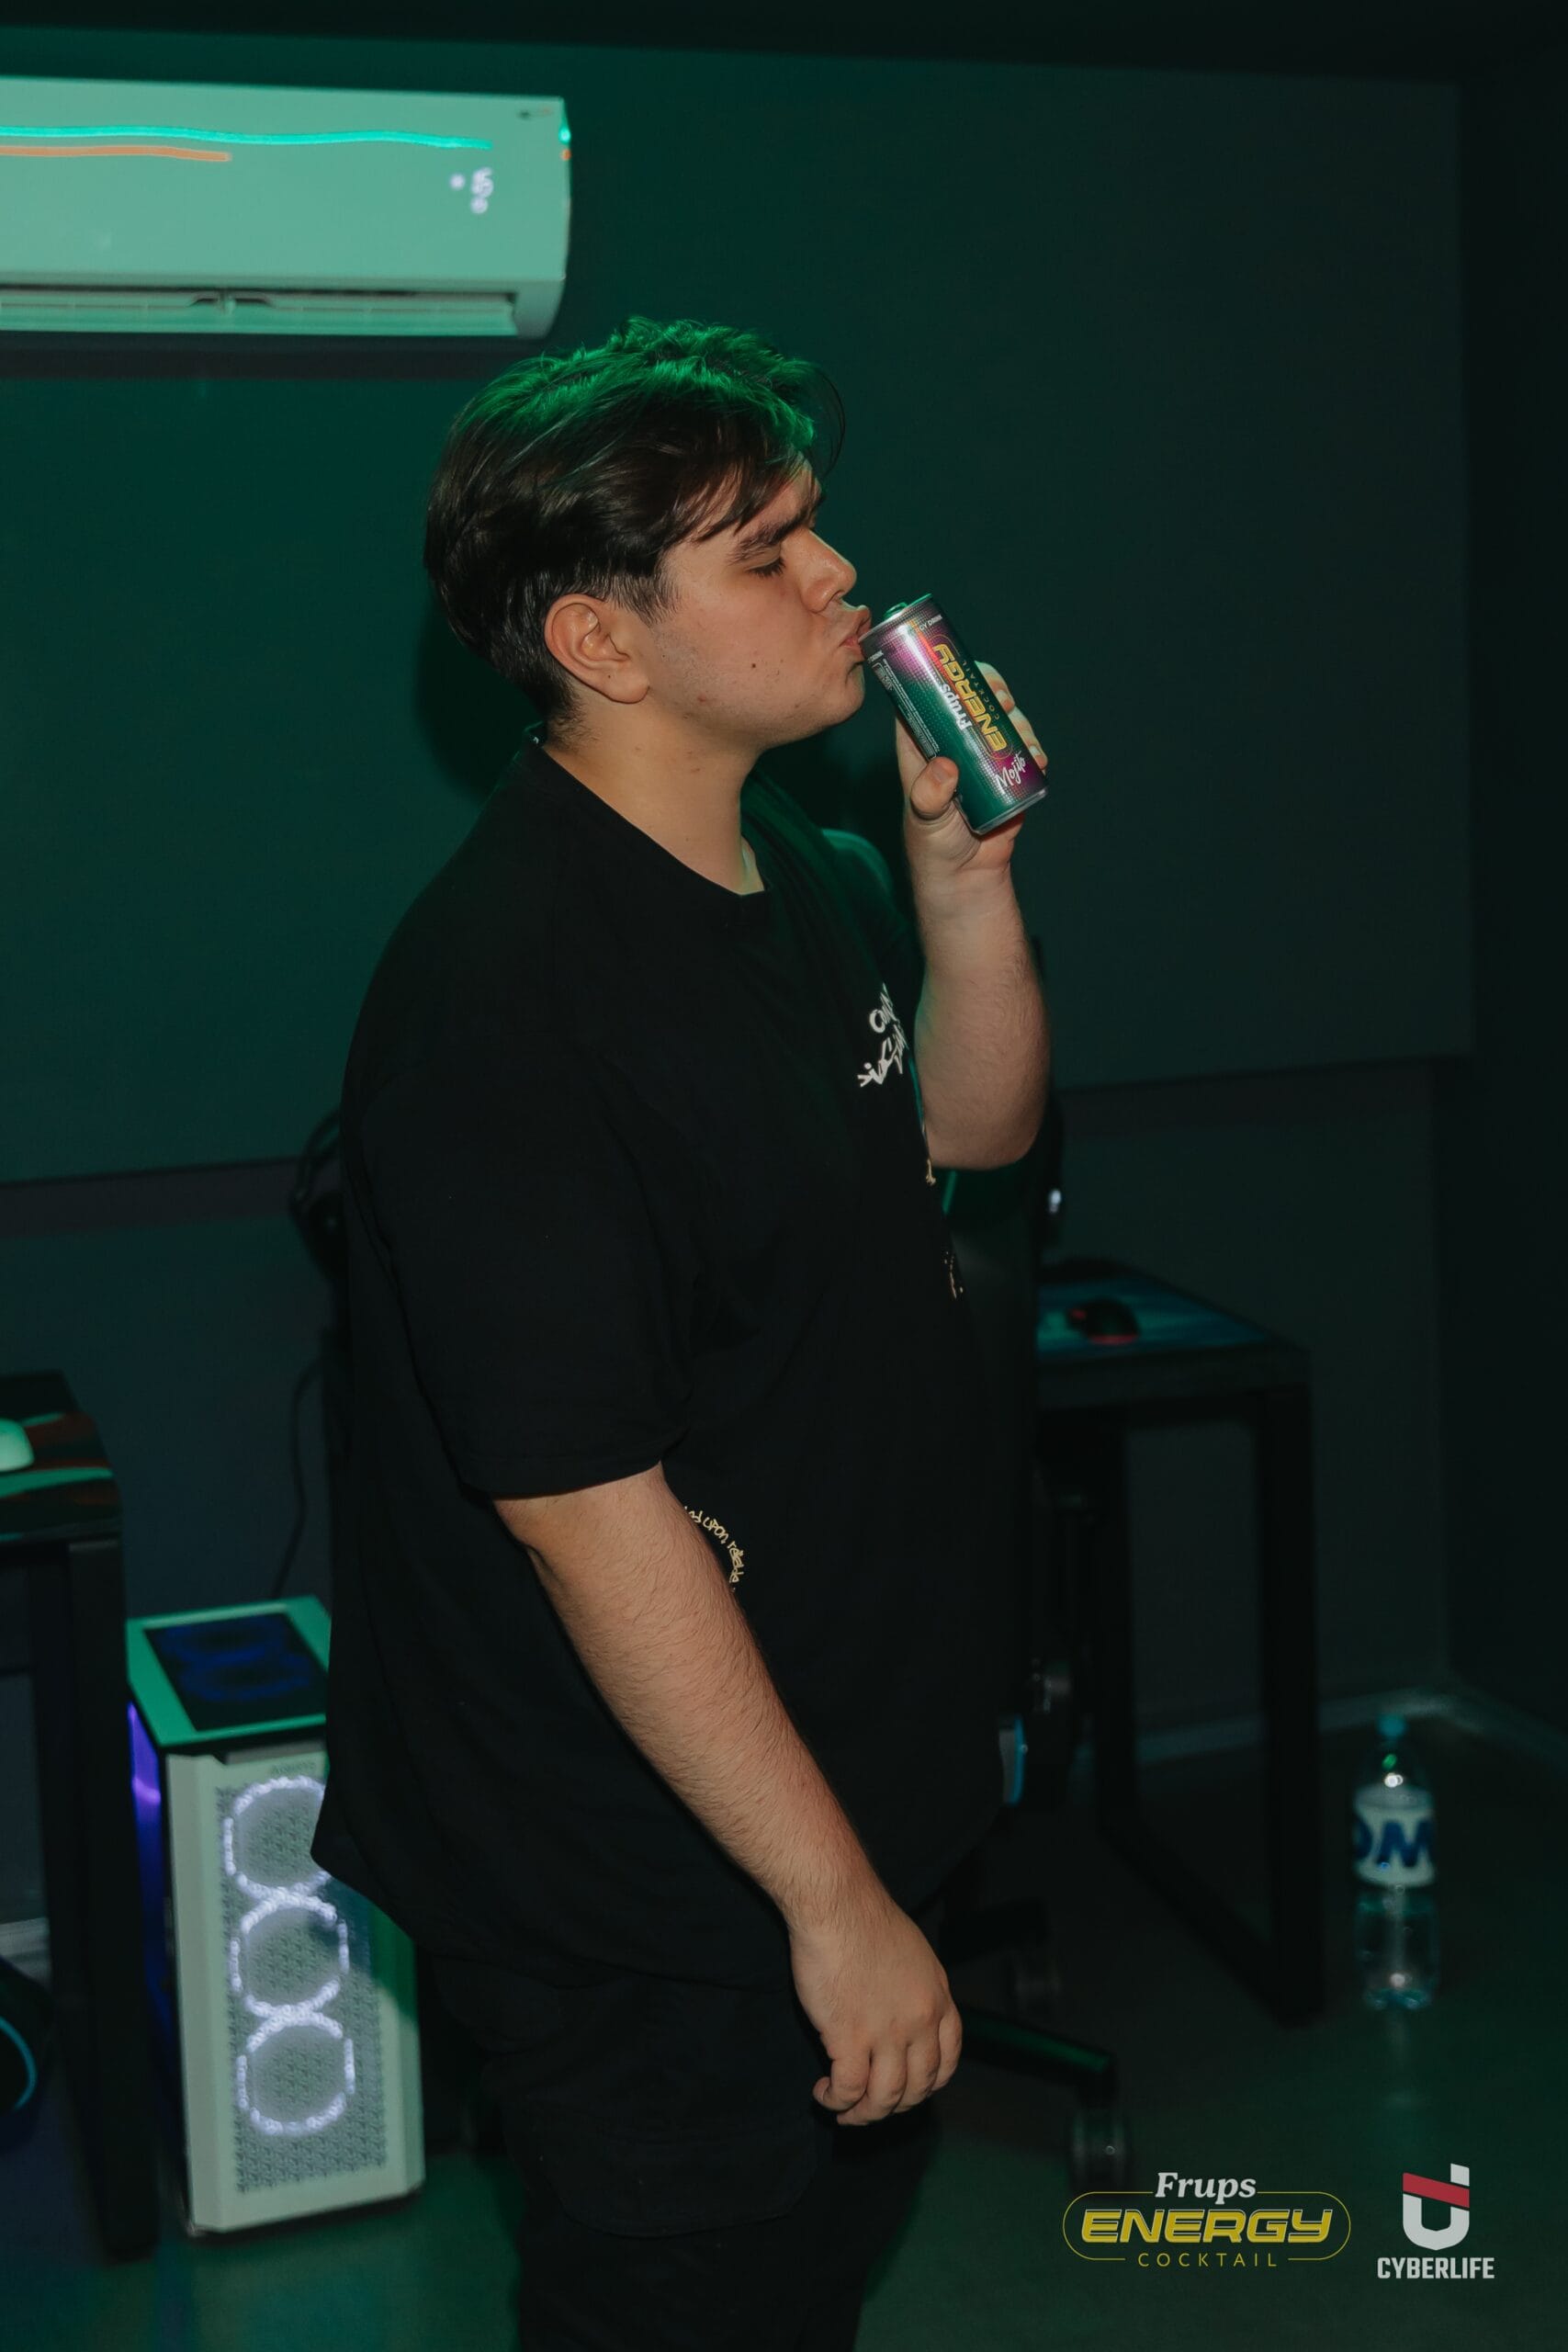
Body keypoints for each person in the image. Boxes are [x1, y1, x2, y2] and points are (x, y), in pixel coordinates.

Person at [310, 313, 1051, 2347]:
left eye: (816, 525)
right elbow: (583, 1509)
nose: (837, 574)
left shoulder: (799, 866)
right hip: (644, 1879)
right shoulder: (505, 1006)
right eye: (767, 549)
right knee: (694, 2293)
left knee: (812, 2275)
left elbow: (968, 1134)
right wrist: (828, 1901)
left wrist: (960, 884)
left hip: (833, 1766)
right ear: (601, 642)